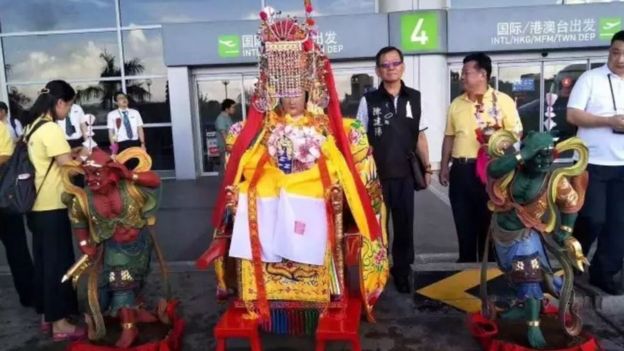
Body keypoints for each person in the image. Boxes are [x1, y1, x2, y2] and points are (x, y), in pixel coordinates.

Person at [196, 5, 388, 344]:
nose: (291, 100)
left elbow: (338, 159)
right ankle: (249, 280)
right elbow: (251, 160)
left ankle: (327, 286)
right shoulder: (262, 126)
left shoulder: (331, 125)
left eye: (296, 91)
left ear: (309, 88)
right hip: (274, 183)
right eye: (283, 93)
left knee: (325, 189)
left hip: (314, 185)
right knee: (252, 192)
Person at [483, 130, 588, 349]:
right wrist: (524, 154)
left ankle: (533, 325)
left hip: (527, 234)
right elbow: (492, 169)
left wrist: (566, 229)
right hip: (502, 232)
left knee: (529, 273)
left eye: (548, 155)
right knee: (513, 273)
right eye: (538, 155)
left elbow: (570, 203)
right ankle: (526, 306)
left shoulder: (554, 180)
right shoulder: (512, 169)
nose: (543, 160)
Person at [61, 148, 165, 348]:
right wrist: (84, 244)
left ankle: (137, 310)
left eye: (96, 173)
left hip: (141, 245)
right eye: (88, 174)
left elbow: (155, 181)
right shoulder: (84, 199)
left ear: (111, 173)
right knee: (121, 283)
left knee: (137, 279)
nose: (91, 179)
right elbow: (78, 221)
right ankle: (128, 327)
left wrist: (130, 174)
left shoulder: (129, 186)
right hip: (113, 248)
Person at [356, 46, 431, 293]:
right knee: (376, 229)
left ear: (403, 66)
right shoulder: (369, 101)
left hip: (405, 175)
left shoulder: (416, 97)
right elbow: (358, 139)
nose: (390, 68)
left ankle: (401, 272)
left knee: (404, 227)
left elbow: (420, 136)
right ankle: (375, 275)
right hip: (375, 177)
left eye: (395, 63)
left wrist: (428, 168)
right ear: (378, 70)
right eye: (385, 65)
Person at [440, 52, 523, 262]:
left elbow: (516, 133)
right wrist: (443, 166)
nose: (462, 77)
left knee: (489, 225)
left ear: (482, 74)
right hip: (461, 170)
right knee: (463, 222)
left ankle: (490, 275)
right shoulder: (456, 104)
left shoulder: (502, 101)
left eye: (466, 72)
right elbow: (449, 137)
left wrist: (496, 143)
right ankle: (465, 269)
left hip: (492, 171)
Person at [20, 80, 85, 341]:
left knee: (45, 263)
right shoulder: (51, 129)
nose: (68, 110)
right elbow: (66, 167)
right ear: (60, 102)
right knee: (58, 264)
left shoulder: (31, 127)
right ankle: (60, 324)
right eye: (68, 105)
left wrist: (70, 154)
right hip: (52, 206)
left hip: (34, 207)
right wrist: (81, 157)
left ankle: (48, 316)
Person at [567, 30, 624, 295]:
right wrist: (609, 121)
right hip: (591, 163)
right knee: (593, 218)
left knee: (618, 224)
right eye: (615, 52)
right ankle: (572, 257)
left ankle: (604, 273)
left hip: (622, 166)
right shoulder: (590, 79)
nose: (620, 59)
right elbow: (573, 115)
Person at [0, 102, 35, 308]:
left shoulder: (1, 128)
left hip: (4, 200)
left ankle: (29, 295)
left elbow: (6, 155)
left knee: (17, 250)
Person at [107, 92, 146, 156]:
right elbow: (111, 132)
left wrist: (142, 144)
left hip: (135, 143)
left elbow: (140, 129)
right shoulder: (112, 115)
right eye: (120, 98)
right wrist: (114, 149)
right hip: (121, 144)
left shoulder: (135, 112)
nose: (124, 99)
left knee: (136, 164)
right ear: (116, 102)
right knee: (123, 165)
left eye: (125, 97)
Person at [215, 98, 236, 173]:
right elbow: (224, 134)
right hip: (225, 148)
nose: (234, 109)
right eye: (233, 107)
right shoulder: (221, 119)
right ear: (227, 109)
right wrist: (228, 146)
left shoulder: (228, 118)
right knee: (225, 169)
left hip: (230, 147)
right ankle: (224, 184)